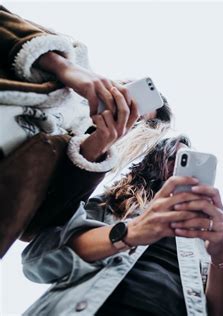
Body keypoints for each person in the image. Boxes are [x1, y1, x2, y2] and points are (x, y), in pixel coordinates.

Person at [0, 5, 171, 256]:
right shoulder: (72, 54)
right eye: (128, 97)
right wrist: (61, 66)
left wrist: (96, 147)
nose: (124, 112)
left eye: (135, 121)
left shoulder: (86, 162)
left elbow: (34, 230)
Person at [21, 135, 223, 316]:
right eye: (172, 158)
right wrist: (130, 232)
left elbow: (222, 312)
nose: (179, 168)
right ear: (154, 165)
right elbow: (38, 261)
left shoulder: (204, 234)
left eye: (185, 160)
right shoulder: (112, 204)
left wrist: (220, 257)